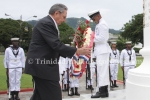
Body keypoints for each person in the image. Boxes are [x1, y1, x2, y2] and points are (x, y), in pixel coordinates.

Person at [24, 3, 91, 100]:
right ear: (56, 13)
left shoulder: (49, 23)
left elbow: (53, 46)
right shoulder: (47, 23)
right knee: (54, 96)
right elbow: (55, 45)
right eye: (64, 17)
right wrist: (77, 50)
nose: (64, 20)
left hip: (42, 67)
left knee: (39, 97)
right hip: (43, 68)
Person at [88, 9, 111, 98]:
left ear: (98, 16)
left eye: (94, 19)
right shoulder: (99, 25)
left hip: (102, 50)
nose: (94, 21)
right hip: (100, 51)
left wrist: (91, 38)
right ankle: (104, 92)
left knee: (102, 72)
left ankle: (101, 92)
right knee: (102, 72)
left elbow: (103, 38)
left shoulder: (102, 25)